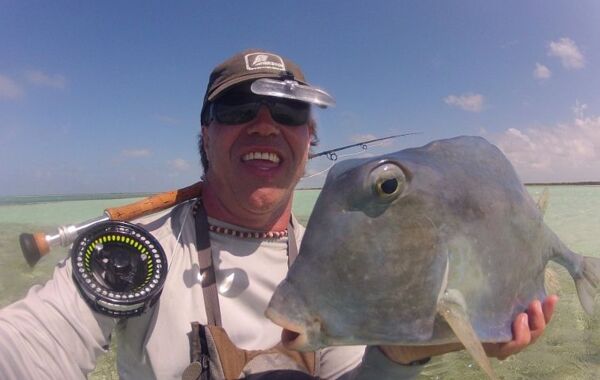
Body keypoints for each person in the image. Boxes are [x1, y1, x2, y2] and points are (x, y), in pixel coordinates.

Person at [0, 49, 557, 379]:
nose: (264, 124)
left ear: (309, 139)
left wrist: (401, 355)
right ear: (206, 132)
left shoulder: (334, 254)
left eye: (289, 111)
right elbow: (28, 346)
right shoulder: (138, 252)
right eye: (238, 109)